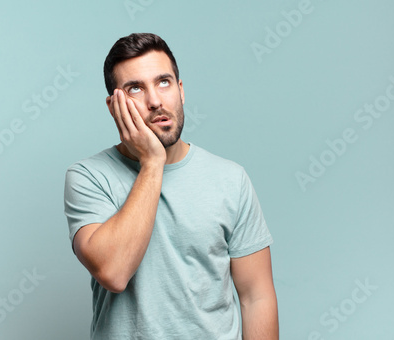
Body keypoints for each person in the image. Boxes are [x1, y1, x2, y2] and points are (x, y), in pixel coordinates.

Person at [64, 32, 279, 339]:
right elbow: (113, 272)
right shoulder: (88, 177)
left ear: (180, 90)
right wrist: (152, 162)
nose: (155, 101)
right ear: (114, 107)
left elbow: (256, 297)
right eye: (135, 88)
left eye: (163, 82)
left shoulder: (231, 179)